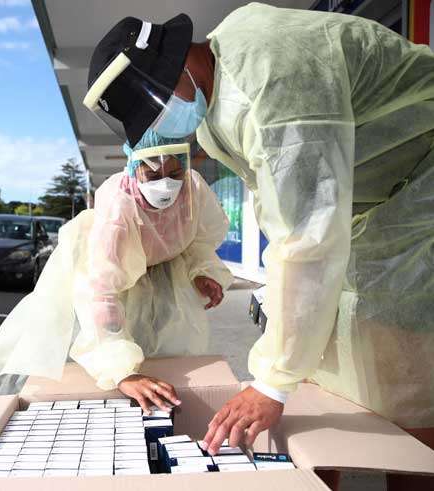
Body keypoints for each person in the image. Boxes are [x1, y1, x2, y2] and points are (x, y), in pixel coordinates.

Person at [84, 4, 434, 487]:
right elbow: (283, 210)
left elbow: (305, 234)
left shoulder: (270, 81)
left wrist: (271, 382)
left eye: (157, 110)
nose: (164, 133)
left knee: (405, 372)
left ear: (180, 65)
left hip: (420, 187)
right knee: (329, 366)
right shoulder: (218, 90)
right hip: (370, 205)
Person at [0, 133, 234, 413]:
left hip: (166, 275)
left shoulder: (194, 189)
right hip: (110, 275)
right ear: (134, 169)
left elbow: (198, 240)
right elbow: (100, 291)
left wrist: (202, 270)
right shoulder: (118, 205)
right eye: (152, 174)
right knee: (107, 362)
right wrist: (122, 373)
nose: (165, 182)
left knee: (172, 358)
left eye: (175, 172)